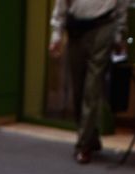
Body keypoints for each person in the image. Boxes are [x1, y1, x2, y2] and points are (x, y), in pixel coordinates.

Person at [49, 0, 126, 164]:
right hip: (77, 29)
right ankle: (91, 137)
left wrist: (118, 34)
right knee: (78, 89)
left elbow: (121, 4)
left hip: (104, 26)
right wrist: (57, 33)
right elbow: (62, 3)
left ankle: (83, 146)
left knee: (92, 87)